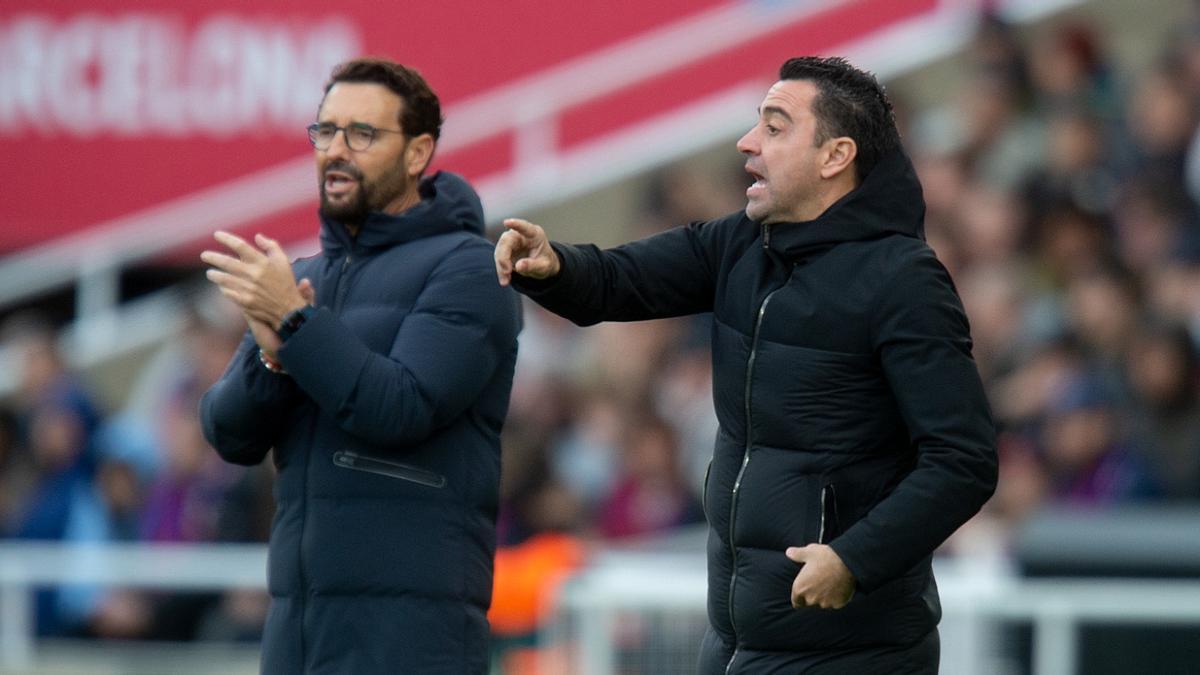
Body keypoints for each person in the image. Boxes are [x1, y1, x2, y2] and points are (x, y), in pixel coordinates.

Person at [495, 56, 997, 674]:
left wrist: (853, 560)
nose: (747, 142)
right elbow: (619, 280)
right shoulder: (741, 244)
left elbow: (964, 459)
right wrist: (554, 265)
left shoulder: (903, 281)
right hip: (737, 645)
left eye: (775, 126)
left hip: (853, 652)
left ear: (835, 156)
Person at [200, 58, 522, 674]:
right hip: (298, 633)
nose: (336, 151)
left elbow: (400, 407)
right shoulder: (303, 279)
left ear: (418, 152)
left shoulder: (470, 269)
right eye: (325, 132)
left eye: (362, 134)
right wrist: (271, 356)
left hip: (410, 640)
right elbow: (228, 434)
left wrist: (296, 328)